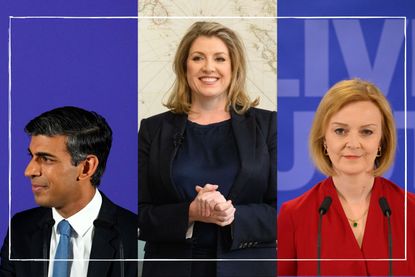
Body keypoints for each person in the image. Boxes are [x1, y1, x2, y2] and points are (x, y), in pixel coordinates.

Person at [138, 21, 277, 277]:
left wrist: (232, 215)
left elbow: (285, 213)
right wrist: (189, 213)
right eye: (198, 58)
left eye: (220, 58)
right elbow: (139, 215)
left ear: (233, 67)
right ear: (184, 65)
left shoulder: (268, 126)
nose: (208, 67)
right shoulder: (152, 130)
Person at [277, 79, 415, 276]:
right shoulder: (293, 216)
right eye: (340, 131)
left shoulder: (411, 211)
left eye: (366, 132)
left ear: (381, 142)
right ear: (324, 139)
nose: (353, 143)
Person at [0, 106, 138, 277]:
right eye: (32, 157)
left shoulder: (133, 234)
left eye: (46, 159)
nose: (29, 171)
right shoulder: (20, 229)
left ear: (86, 167)